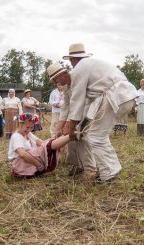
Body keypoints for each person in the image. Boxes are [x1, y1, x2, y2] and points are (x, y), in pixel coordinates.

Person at [50, 46, 138, 182]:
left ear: (73, 60)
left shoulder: (80, 69)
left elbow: (77, 103)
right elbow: (67, 107)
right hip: (122, 95)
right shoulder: (87, 67)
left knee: (95, 136)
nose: (57, 83)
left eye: (56, 79)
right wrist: (59, 129)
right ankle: (108, 169)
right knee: (95, 134)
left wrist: (71, 127)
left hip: (116, 96)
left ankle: (109, 173)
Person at [8, 113, 70, 178]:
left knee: (46, 146)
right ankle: (71, 136)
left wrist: (54, 137)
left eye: (31, 127)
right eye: (27, 127)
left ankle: (70, 136)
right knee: (44, 148)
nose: (29, 130)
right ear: (20, 125)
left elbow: (42, 143)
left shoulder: (28, 133)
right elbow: (23, 154)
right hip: (20, 165)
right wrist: (39, 165)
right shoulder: (16, 137)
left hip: (27, 160)